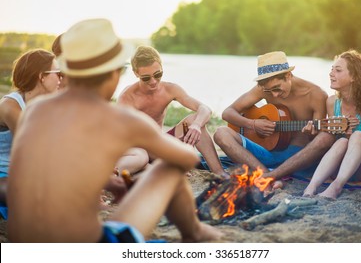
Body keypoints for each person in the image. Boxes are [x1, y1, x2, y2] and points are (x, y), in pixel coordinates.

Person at [7, 18, 222, 242]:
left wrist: (107, 181)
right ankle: (194, 233)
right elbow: (186, 158)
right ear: (115, 73)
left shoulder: (35, 110)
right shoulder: (121, 117)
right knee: (168, 171)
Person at [213, 51, 329, 184]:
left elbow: (317, 140)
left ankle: (267, 175)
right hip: (265, 155)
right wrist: (253, 124)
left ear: (288, 75)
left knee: (323, 140)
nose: (274, 95)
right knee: (221, 133)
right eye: (269, 91)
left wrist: (311, 133)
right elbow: (228, 112)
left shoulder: (316, 95)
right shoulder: (263, 89)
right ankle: (267, 175)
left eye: (277, 88)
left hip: (296, 160)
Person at [117, 45, 229, 179]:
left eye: (157, 75)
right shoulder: (127, 98)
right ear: (136, 73)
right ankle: (151, 167)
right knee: (142, 156)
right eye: (146, 78)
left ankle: (219, 172)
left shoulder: (170, 89)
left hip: (162, 144)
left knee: (194, 120)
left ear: (162, 68)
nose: (153, 82)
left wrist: (196, 125)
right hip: (141, 148)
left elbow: (205, 109)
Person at [303, 49, 361, 199]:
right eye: (331, 69)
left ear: (354, 76)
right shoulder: (331, 102)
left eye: (338, 70)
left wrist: (353, 137)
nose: (331, 74)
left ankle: (336, 187)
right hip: (342, 166)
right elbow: (335, 141)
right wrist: (315, 133)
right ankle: (311, 187)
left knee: (359, 136)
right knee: (341, 141)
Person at [0, 49, 62, 205]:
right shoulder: (10, 106)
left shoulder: (44, 105)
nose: (61, 79)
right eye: (58, 74)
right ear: (42, 76)